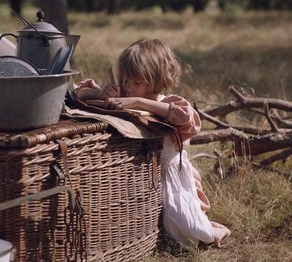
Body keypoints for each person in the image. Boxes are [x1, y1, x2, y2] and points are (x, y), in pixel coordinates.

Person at [75, 38, 231, 248]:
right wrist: (100, 93)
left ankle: (212, 231)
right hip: (139, 175)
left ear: (156, 79)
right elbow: (77, 94)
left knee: (187, 229)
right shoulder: (123, 95)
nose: (128, 88)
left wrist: (138, 102)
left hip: (172, 176)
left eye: (136, 83)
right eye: (125, 81)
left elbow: (187, 119)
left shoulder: (166, 103)